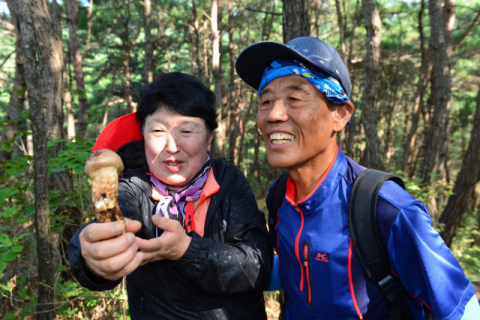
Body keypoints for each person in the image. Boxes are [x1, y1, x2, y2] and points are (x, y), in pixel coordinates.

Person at [235, 36, 480, 319]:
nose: (274, 114)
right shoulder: (280, 197)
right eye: (266, 100)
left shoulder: (385, 207)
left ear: (340, 114)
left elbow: (460, 310)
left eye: (294, 98)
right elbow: (299, 268)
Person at [68, 72, 273, 319]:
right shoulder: (132, 188)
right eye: (157, 131)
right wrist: (88, 255)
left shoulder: (229, 182)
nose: (172, 147)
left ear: (209, 138)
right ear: (143, 135)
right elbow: (106, 230)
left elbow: (257, 266)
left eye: (186, 131)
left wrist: (187, 250)